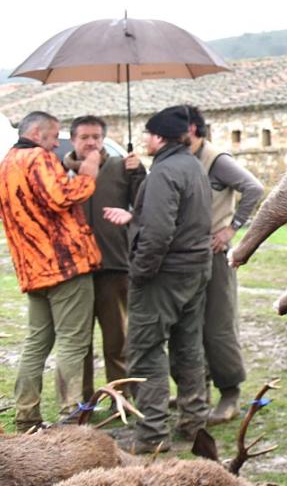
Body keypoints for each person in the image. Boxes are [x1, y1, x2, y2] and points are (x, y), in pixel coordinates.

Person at [0, 111, 102, 430]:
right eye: (53, 135)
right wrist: (88, 174)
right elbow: (61, 197)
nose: (56, 142)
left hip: (32, 271)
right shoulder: (38, 158)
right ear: (36, 132)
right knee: (72, 341)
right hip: (64, 266)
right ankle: (71, 414)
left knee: (36, 343)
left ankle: (27, 414)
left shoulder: (5, 164)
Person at [126, 105, 212, 452]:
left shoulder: (164, 172)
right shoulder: (191, 165)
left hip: (164, 273)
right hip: (194, 269)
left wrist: (141, 271)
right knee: (187, 345)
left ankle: (151, 434)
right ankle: (194, 422)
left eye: (147, 133)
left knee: (146, 350)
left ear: (159, 136)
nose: (144, 139)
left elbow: (158, 231)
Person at [182, 105, 264, 425]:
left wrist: (232, 227)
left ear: (193, 129)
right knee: (190, 325)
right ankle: (196, 389)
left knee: (218, 326)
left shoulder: (217, 160)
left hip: (215, 255)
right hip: (186, 256)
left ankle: (229, 393)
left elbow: (254, 188)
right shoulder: (181, 159)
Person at [63, 115, 145, 398]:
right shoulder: (59, 171)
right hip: (74, 270)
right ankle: (83, 400)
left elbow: (143, 205)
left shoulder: (121, 166)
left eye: (96, 137)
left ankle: (119, 396)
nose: (91, 142)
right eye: (84, 137)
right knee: (78, 341)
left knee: (117, 340)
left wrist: (139, 172)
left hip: (114, 264)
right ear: (73, 139)